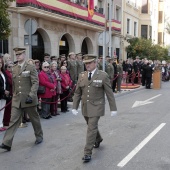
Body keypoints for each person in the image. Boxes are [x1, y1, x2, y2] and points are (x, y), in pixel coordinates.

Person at [72, 54, 117, 162]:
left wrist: (113, 108)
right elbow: (78, 92)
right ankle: (98, 138)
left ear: (95, 63)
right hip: (85, 107)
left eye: (89, 63)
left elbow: (109, 93)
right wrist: (74, 106)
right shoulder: (82, 75)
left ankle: (87, 152)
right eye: (86, 63)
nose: (87, 65)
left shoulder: (102, 75)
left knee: (91, 128)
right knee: (91, 126)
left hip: (97, 106)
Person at [0, 47, 43, 151]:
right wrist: (13, 94)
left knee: (34, 119)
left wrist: (32, 95)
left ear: (24, 55)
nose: (18, 56)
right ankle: (7, 143)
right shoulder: (14, 68)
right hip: (17, 100)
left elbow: (35, 82)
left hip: (29, 99)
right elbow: (15, 84)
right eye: (16, 54)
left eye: (19, 54)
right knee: (13, 121)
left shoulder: (30, 67)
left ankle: (39, 136)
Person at [0, 57, 10, 132]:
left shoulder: (3, 72)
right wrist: (3, 91)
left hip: (4, 95)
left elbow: (7, 82)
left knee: (2, 110)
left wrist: (7, 90)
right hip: (1, 93)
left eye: (0, 63)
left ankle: (1, 125)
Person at [3, 61, 13, 127]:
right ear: (6, 67)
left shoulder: (13, 73)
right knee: (7, 108)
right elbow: (10, 82)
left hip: (13, 92)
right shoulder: (6, 73)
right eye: (9, 67)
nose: (11, 68)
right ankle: (6, 121)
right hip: (9, 92)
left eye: (12, 67)